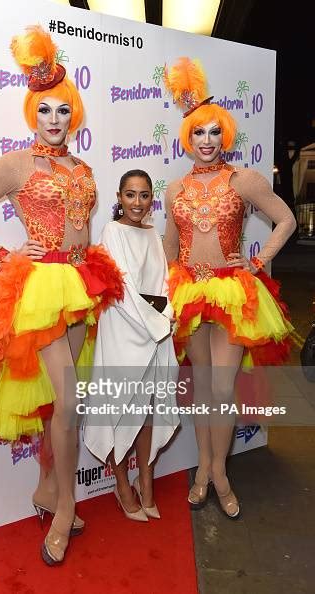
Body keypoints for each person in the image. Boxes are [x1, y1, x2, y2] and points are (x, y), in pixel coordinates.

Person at [0, 26, 123, 564]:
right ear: (33, 114)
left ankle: (47, 487)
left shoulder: (83, 167)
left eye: (63, 111)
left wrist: (93, 275)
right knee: (68, 401)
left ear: (74, 116)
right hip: (41, 287)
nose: (54, 120)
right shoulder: (15, 165)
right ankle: (67, 507)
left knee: (60, 405)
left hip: (81, 284)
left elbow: (83, 232)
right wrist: (6, 256)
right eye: (45, 111)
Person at [163, 57, 296, 518]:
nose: (206, 141)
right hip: (188, 292)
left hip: (232, 292)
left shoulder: (244, 180)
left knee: (222, 390)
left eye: (213, 132)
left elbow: (286, 219)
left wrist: (258, 262)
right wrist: (165, 290)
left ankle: (219, 473)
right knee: (203, 388)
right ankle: (204, 471)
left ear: (225, 135)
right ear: (188, 137)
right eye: (198, 132)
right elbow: (170, 245)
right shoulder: (174, 188)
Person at [84, 170, 180, 521]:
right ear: (119, 197)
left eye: (143, 195)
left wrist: (168, 312)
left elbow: (164, 282)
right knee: (122, 407)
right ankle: (122, 484)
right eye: (130, 194)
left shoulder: (153, 233)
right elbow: (121, 289)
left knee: (149, 411)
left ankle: (147, 481)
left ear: (151, 199)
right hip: (124, 328)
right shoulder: (112, 232)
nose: (137, 203)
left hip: (156, 328)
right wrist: (159, 321)